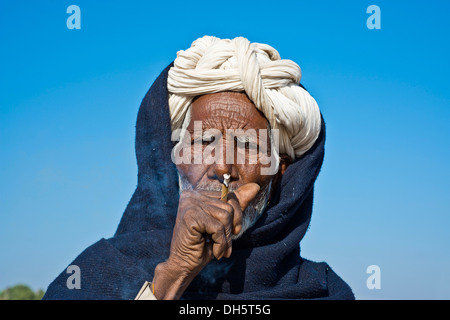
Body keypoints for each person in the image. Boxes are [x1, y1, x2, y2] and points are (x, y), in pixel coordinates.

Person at [43, 36, 354, 300]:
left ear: (281, 170)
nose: (222, 166)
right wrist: (173, 275)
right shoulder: (95, 277)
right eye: (203, 141)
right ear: (174, 159)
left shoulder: (322, 291)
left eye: (247, 145)